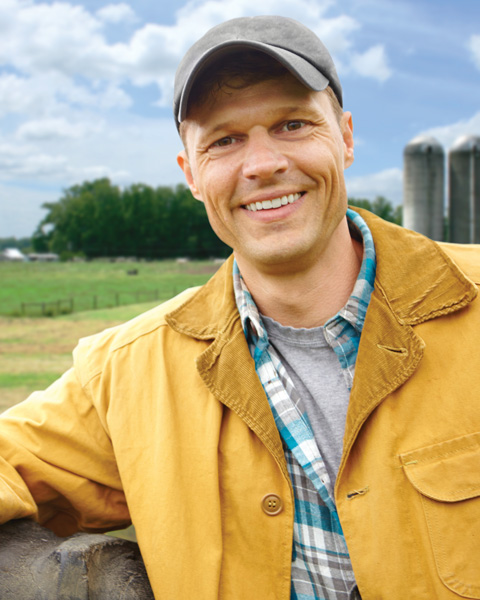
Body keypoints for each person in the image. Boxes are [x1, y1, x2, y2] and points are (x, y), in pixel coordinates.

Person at [1, 15, 479, 600]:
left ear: (347, 137)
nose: (262, 164)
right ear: (192, 175)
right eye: (224, 140)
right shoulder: (127, 374)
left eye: (292, 124)